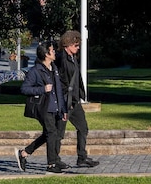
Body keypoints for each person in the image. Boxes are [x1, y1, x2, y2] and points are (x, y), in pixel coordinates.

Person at [16, 40, 69, 173]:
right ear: (46, 54)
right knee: (51, 133)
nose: (54, 52)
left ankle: (24, 153)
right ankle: (51, 164)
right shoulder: (35, 71)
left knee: (49, 134)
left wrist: (63, 109)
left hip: (55, 107)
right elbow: (24, 89)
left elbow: (58, 91)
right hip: (44, 108)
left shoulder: (54, 68)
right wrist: (42, 89)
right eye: (52, 50)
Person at [56, 30, 99, 168]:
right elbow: (60, 81)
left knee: (83, 127)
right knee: (59, 132)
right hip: (65, 101)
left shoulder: (72, 57)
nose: (78, 47)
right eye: (75, 45)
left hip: (74, 100)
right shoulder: (61, 58)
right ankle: (54, 160)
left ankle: (82, 157)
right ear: (67, 44)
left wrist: (79, 95)